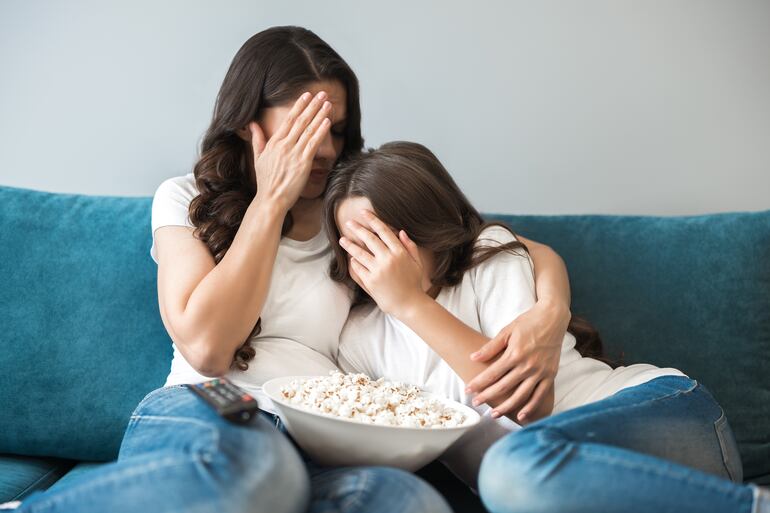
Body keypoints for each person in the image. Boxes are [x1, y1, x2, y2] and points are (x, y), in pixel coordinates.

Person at [5, 27, 573, 513]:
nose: (323, 150)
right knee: (259, 475)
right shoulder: (185, 200)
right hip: (214, 414)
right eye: (304, 129)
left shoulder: (354, 213)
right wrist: (269, 202)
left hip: (320, 439)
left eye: (337, 130)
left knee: (408, 500)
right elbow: (206, 347)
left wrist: (551, 311)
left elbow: (504, 247)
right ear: (248, 125)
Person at [324, 141, 770, 513]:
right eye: (355, 246)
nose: (372, 260)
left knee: (508, 465)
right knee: (511, 476)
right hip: (555, 491)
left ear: (424, 228)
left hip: (663, 417)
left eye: (380, 240)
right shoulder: (358, 338)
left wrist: (409, 303)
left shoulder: (490, 254)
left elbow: (526, 409)